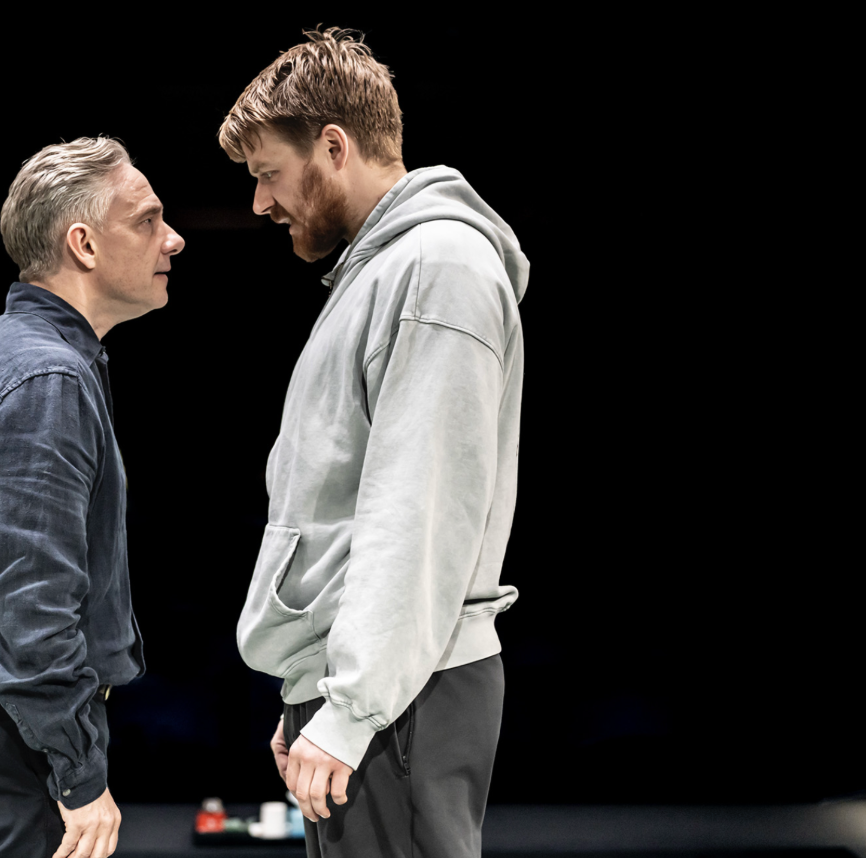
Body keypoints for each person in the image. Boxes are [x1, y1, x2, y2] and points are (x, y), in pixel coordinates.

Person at [219, 28, 530, 858]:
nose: (260, 204)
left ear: (333, 147)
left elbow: (417, 509)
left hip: (405, 698)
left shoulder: (439, 267)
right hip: (378, 691)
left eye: (267, 174)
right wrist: (317, 689)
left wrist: (351, 710)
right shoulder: (387, 269)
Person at [0, 136, 184, 858]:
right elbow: (33, 600)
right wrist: (78, 770)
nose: (173, 238)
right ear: (83, 244)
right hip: (9, 731)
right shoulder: (43, 379)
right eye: (148, 220)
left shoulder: (14, 358)